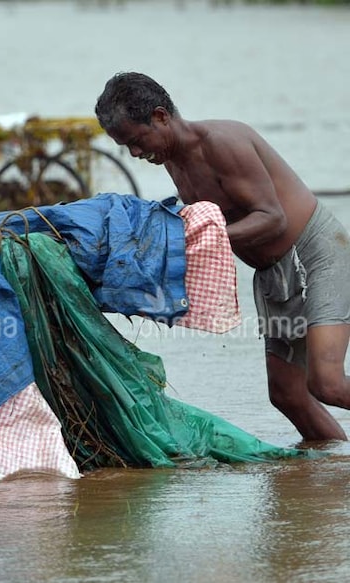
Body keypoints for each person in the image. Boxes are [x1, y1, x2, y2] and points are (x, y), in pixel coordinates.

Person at [95, 71, 350, 442]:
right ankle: (328, 475)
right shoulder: (170, 159)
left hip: (317, 255)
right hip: (272, 272)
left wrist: (202, 239)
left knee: (326, 383)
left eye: (136, 140)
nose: (135, 153)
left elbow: (272, 218)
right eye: (126, 148)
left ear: (161, 116)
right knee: (287, 395)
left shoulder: (222, 143)